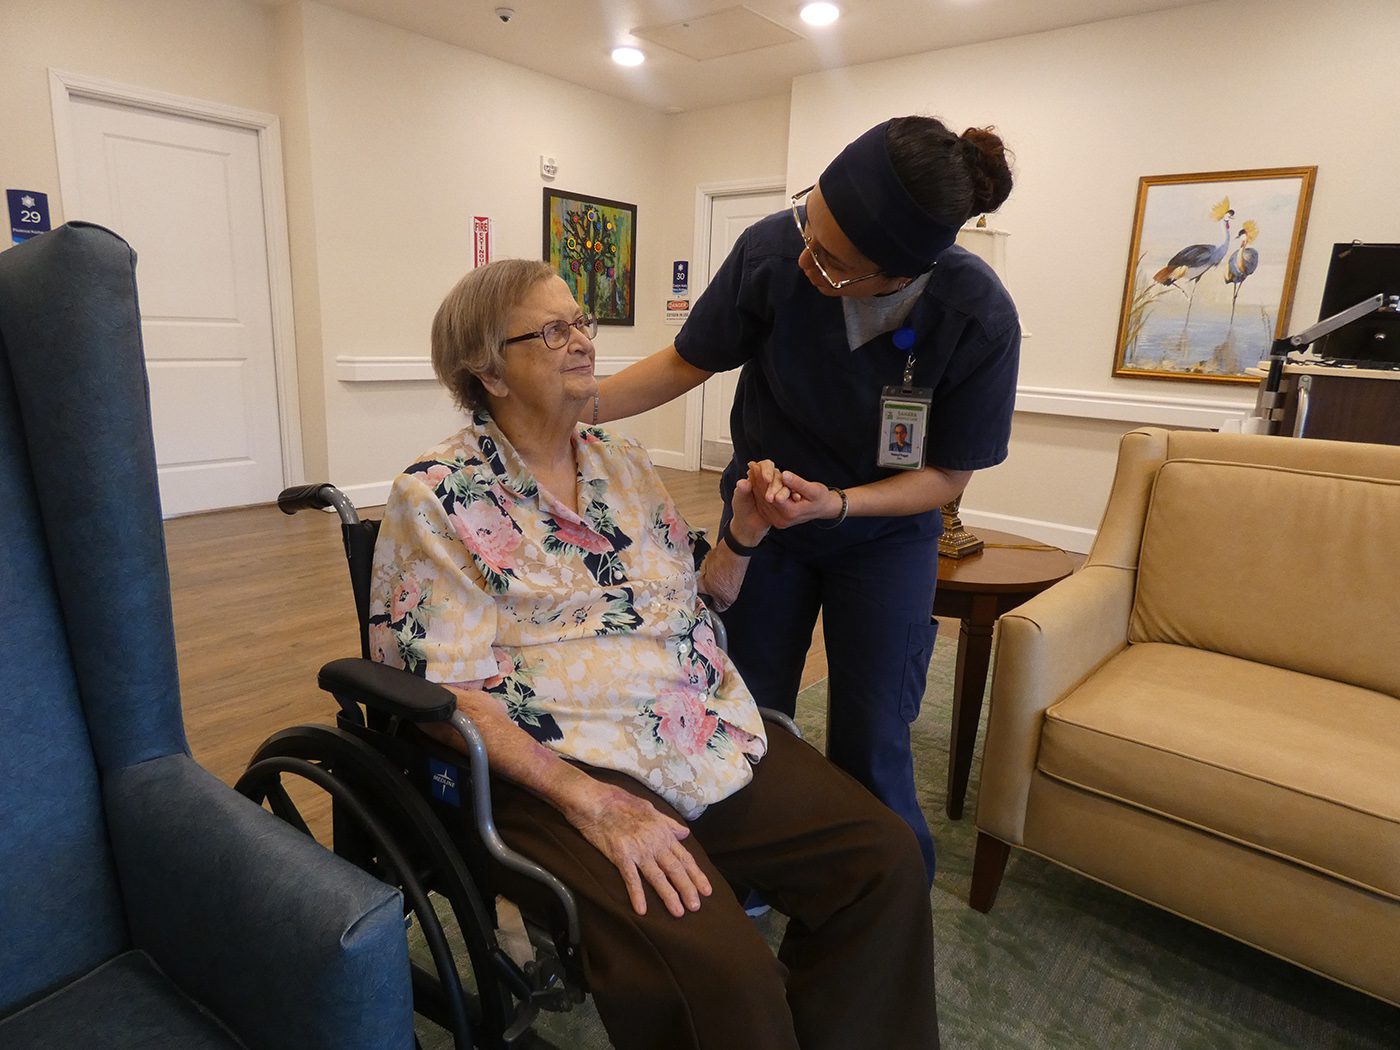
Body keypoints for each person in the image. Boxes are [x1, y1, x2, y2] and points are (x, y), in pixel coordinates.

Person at [369, 258, 940, 1050]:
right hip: (564, 763)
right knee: (724, 973)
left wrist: (745, 532)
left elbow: (696, 604)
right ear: (487, 371)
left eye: (581, 323)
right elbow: (448, 694)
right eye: (553, 329)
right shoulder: (437, 495)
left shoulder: (626, 464)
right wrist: (592, 802)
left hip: (691, 725)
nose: (581, 342)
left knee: (884, 861)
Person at [592, 115, 1020, 880]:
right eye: (807, 216)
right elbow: (687, 359)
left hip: (886, 538)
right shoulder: (772, 249)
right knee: (745, 708)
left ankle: (880, 896)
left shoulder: (977, 314)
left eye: (829, 258)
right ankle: (747, 876)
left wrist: (842, 504)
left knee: (873, 730)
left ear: (901, 274)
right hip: (764, 523)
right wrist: (577, 406)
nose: (803, 254)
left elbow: (949, 476)